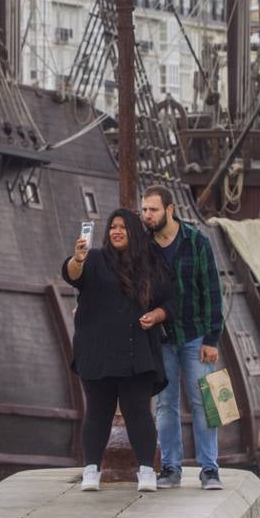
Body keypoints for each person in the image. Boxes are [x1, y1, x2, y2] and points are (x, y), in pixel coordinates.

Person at [63, 208, 174, 493]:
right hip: (96, 348)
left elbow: (170, 300)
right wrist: (78, 258)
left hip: (135, 348)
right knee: (97, 412)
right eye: (113, 227)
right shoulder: (94, 259)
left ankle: (147, 471)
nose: (117, 231)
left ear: (134, 232)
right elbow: (71, 275)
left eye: (123, 227)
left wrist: (157, 316)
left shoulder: (150, 263)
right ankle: (91, 470)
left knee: (137, 411)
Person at [140, 185, 226, 492]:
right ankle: (171, 468)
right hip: (161, 338)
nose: (146, 215)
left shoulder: (196, 242)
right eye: (144, 210)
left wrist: (212, 339)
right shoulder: (143, 245)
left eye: (152, 210)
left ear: (169, 210)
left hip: (195, 335)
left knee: (206, 401)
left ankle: (210, 469)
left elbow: (212, 291)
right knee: (165, 404)